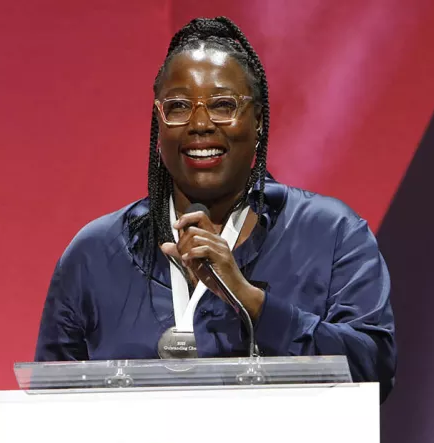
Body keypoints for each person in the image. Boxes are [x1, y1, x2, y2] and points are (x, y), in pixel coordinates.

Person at [34, 16, 396, 397]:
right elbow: (49, 404)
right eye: (178, 107)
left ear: (258, 120)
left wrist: (251, 301)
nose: (201, 123)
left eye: (223, 105)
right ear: (159, 125)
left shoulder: (332, 235)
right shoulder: (96, 254)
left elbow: (374, 372)